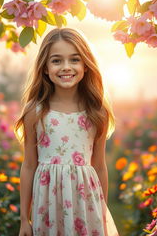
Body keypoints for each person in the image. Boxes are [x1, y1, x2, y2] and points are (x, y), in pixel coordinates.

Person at [15, 27, 119, 236]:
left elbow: (99, 167)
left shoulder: (96, 112)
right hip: (47, 204)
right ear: (44, 67)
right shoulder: (35, 112)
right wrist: (24, 220)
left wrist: (101, 213)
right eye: (56, 61)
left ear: (86, 65)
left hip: (85, 203)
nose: (66, 67)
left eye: (74, 59)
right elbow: (28, 166)